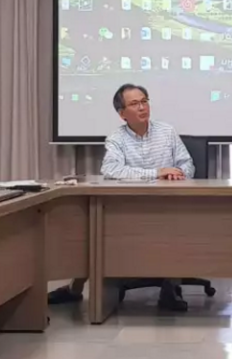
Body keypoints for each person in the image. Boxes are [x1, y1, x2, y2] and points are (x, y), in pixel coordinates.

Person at [49, 84, 194, 311]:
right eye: (135, 104)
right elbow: (111, 170)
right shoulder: (116, 138)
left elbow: (187, 163)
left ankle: (172, 288)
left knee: (176, 226)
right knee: (94, 230)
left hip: (167, 203)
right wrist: (156, 173)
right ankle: (74, 289)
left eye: (144, 101)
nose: (142, 107)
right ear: (122, 113)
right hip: (129, 206)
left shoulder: (167, 131)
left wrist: (179, 173)